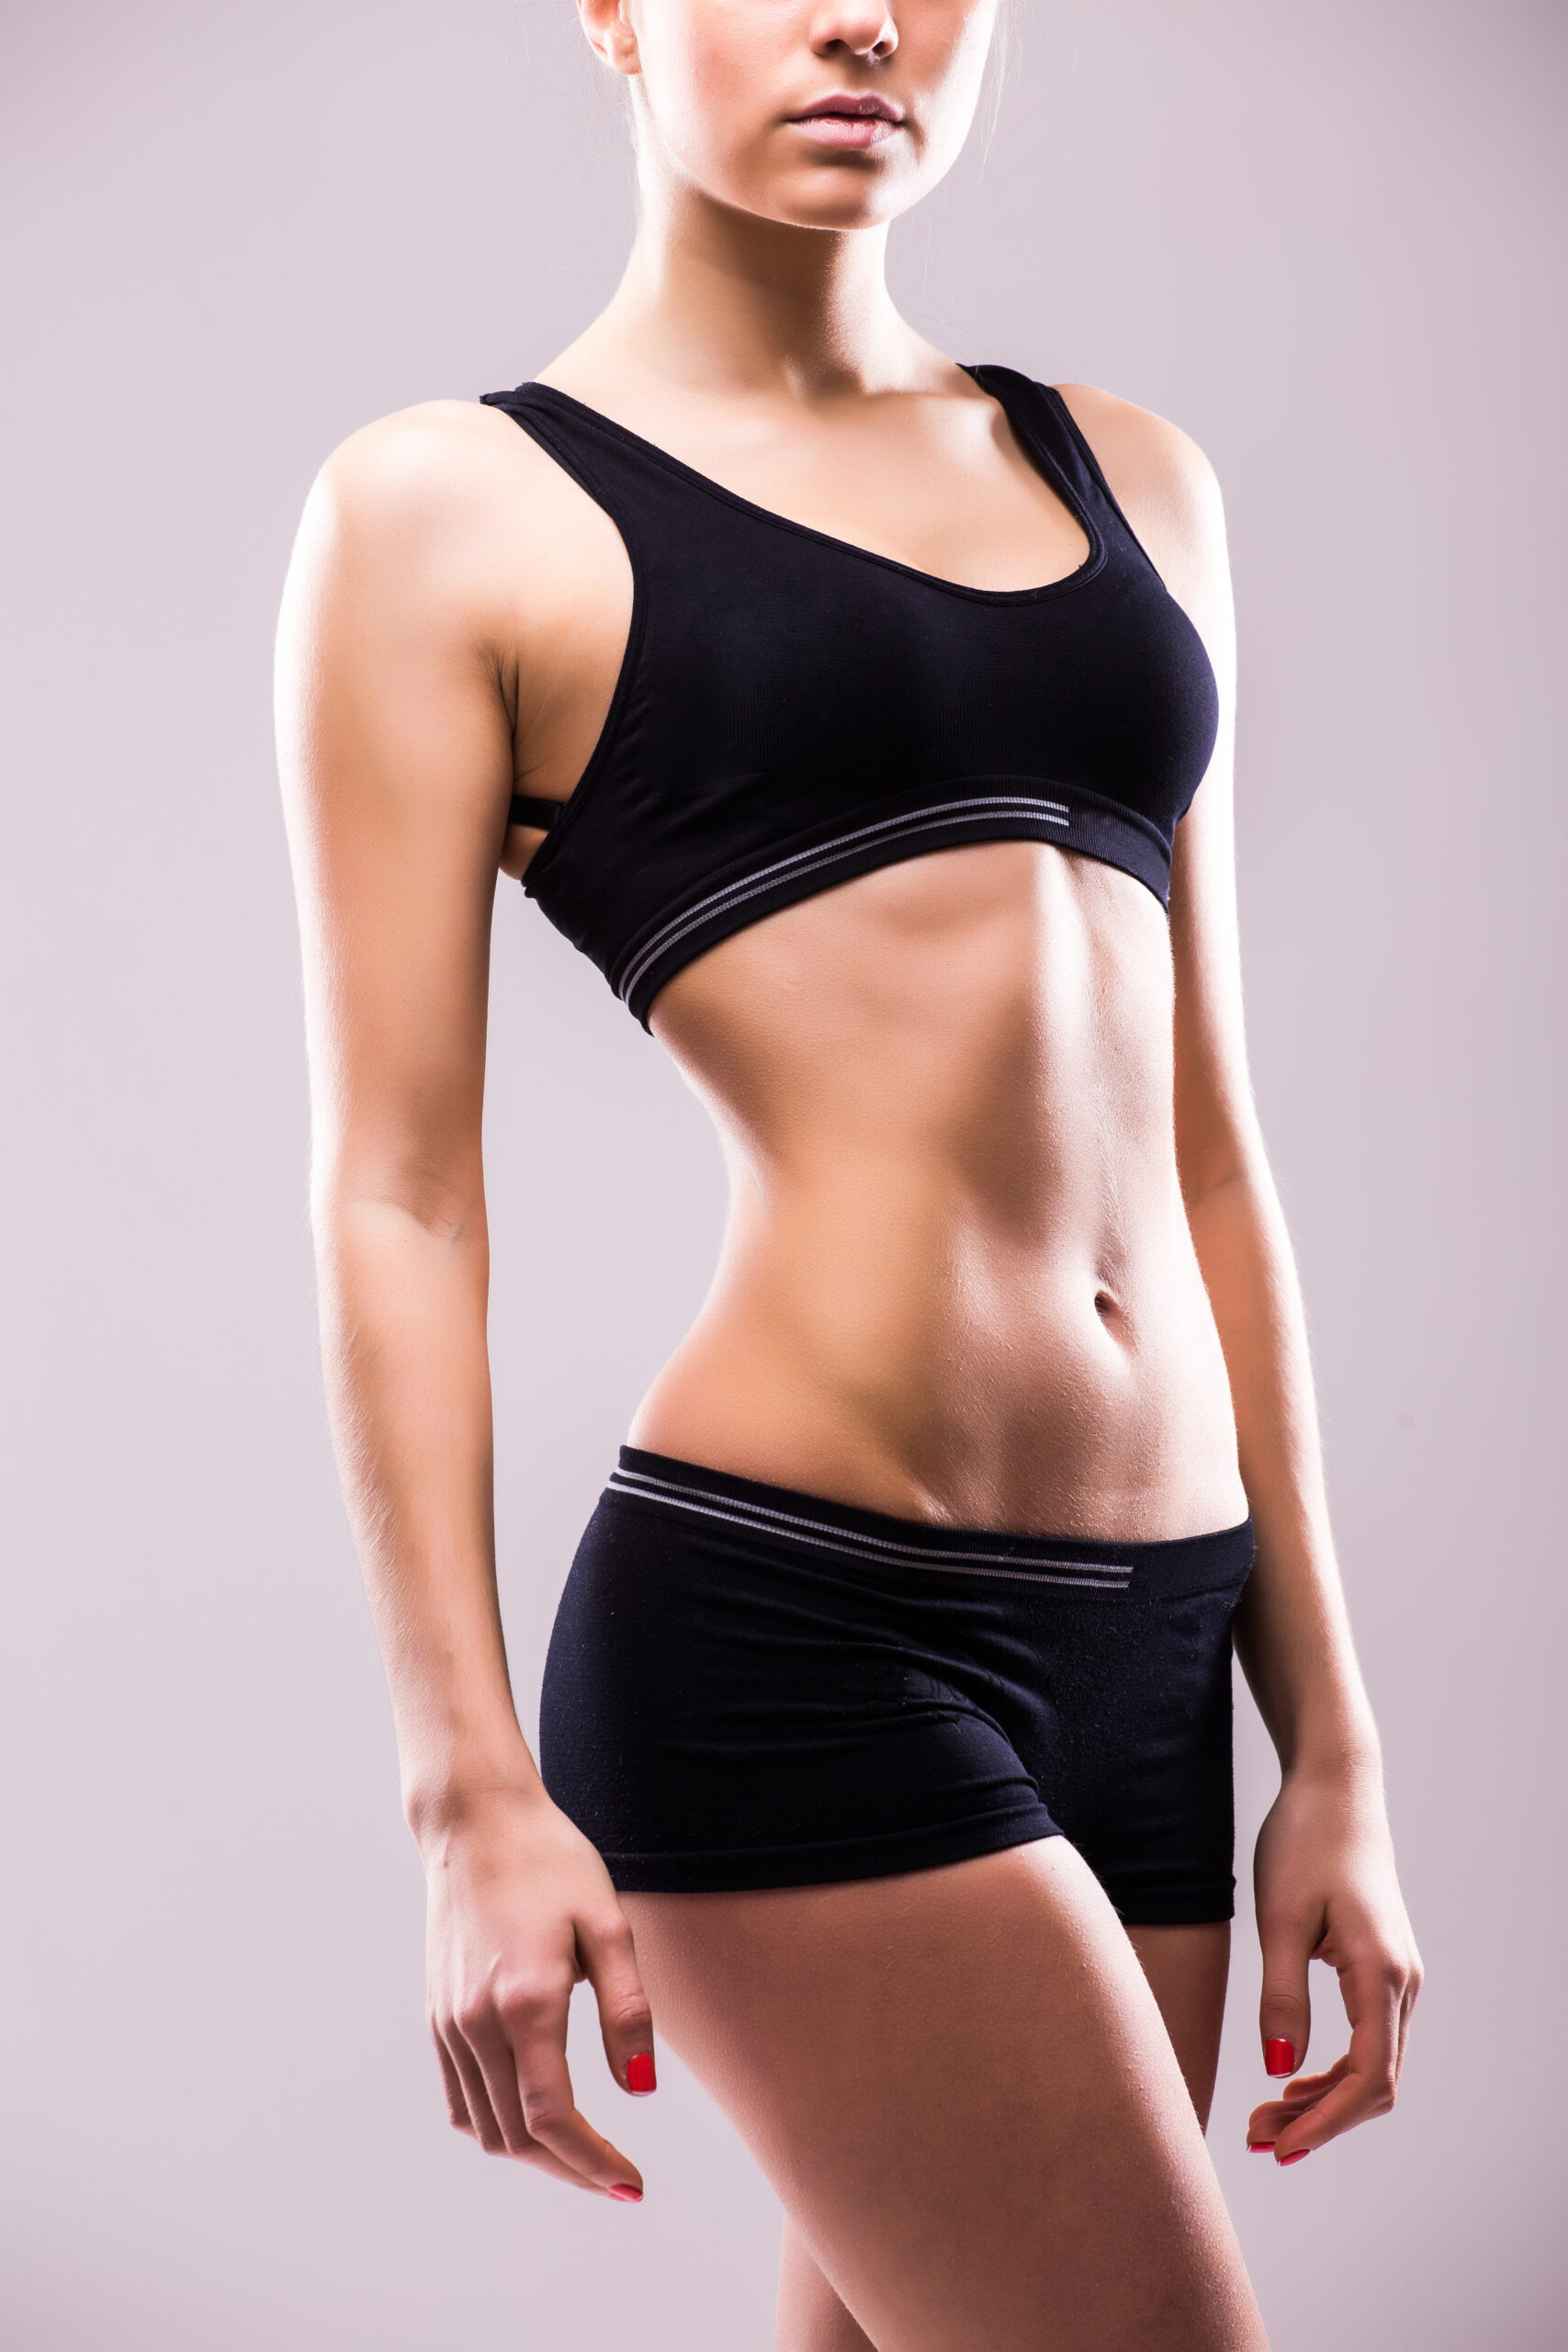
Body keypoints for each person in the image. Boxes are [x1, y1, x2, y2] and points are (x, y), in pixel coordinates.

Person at [276, 1, 1421, 2343]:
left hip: (1152, 1637)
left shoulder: (1134, 479)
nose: (861, 18)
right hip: (804, 1631)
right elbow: (398, 1187)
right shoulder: (450, 513)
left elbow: (1207, 1144)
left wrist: (1336, 1742)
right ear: (604, 8)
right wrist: (461, 1793)